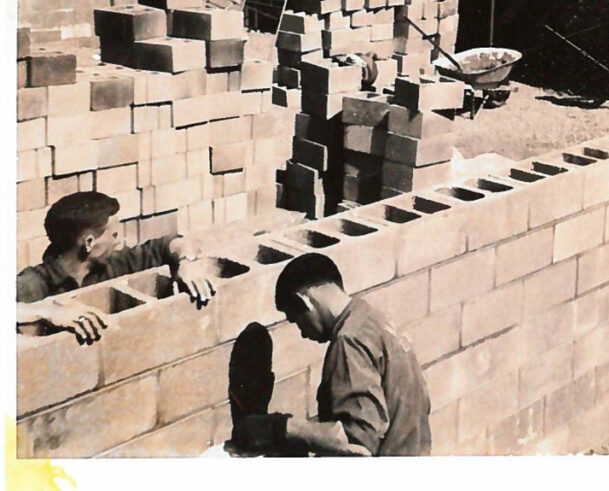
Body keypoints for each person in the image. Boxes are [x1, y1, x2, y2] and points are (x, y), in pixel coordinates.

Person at [232, 252, 431, 457]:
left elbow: (358, 442)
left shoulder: (349, 341)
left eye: (296, 319)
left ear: (304, 302)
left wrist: (281, 427)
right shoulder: (376, 320)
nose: (302, 332)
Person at [16, 191, 215, 343]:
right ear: (89, 242)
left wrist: (188, 262)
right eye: (113, 235)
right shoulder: (33, 282)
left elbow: (167, 244)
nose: (119, 241)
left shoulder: (113, 263)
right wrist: (47, 311)